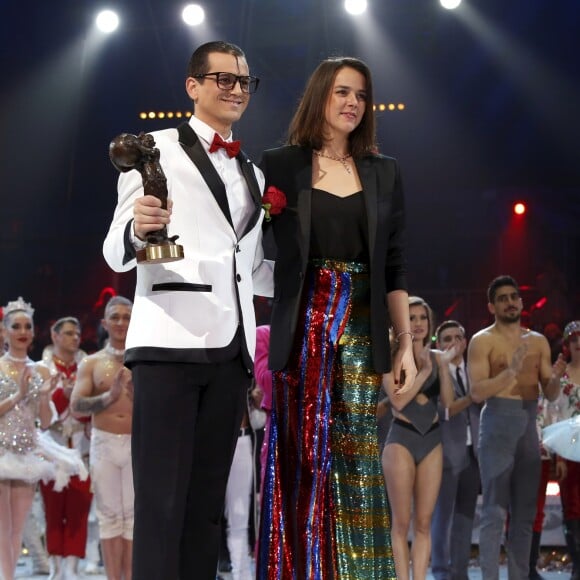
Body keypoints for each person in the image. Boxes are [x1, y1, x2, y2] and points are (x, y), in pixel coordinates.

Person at [102, 40, 273, 580]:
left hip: (230, 352)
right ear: (192, 86)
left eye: (244, 81)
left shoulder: (253, 172)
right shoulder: (153, 149)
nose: (236, 89)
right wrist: (139, 230)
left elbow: (253, 268)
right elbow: (115, 249)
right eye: (223, 79)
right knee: (160, 506)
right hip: (169, 346)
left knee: (206, 510)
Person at [256, 56, 417, 579]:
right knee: (301, 462)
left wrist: (405, 345)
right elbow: (250, 248)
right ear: (320, 96)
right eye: (342, 92)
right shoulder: (279, 165)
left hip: (361, 327)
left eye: (362, 95)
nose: (353, 103)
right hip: (301, 330)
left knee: (356, 466)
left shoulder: (383, 171)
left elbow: (393, 265)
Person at [467, 275, 561, 580]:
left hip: (527, 427)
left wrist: (556, 376)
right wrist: (512, 371)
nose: (510, 302)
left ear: (521, 302)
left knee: (524, 517)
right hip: (496, 426)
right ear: (491, 306)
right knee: (494, 514)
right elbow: (477, 392)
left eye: (514, 297)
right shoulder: (482, 341)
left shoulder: (538, 341)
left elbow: (551, 393)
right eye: (503, 298)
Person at [0, 297, 87, 580]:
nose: (22, 331)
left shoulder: (40, 370)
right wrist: (19, 395)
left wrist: (44, 395)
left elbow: (46, 421)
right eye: (16, 326)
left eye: (27, 326)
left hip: (26, 451)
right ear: (4, 331)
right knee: (3, 527)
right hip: (1, 451)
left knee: (18, 526)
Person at [382, 297, 456, 580]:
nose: (418, 323)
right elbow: (398, 402)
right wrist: (425, 370)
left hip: (432, 440)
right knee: (401, 524)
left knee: (424, 523)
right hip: (401, 438)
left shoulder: (438, 357)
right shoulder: (390, 358)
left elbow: (448, 402)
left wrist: (444, 367)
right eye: (411, 318)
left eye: (422, 318)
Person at [70, 296, 134, 580]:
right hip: (104, 442)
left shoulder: (144, 361)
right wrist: (109, 397)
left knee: (132, 519)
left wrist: (138, 397)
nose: (121, 322)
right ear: (105, 323)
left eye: (126, 316)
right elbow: (76, 405)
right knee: (109, 518)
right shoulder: (91, 363)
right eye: (115, 317)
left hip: (136, 443)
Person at [39, 316, 93, 580]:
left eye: (78, 333)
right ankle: (55, 565)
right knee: (52, 512)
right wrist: (63, 395)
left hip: (80, 449)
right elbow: (42, 416)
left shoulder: (88, 366)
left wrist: (77, 400)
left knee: (78, 512)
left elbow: (91, 412)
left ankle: (72, 567)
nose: (75, 337)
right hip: (52, 449)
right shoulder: (42, 369)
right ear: (55, 335)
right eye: (69, 333)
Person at [430, 319, 481, 580]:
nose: (452, 343)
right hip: (446, 455)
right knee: (442, 518)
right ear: (438, 345)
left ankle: (460, 572)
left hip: (474, 455)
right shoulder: (434, 372)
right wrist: (473, 396)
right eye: (446, 339)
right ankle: (440, 571)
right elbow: (444, 411)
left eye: (456, 337)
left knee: (465, 517)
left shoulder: (475, 370)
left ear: (465, 341)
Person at [549, 320, 580, 580]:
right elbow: (555, 413)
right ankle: (577, 566)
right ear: (567, 344)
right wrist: (558, 455)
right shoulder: (561, 375)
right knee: (571, 505)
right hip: (569, 447)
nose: (578, 343)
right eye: (574, 339)